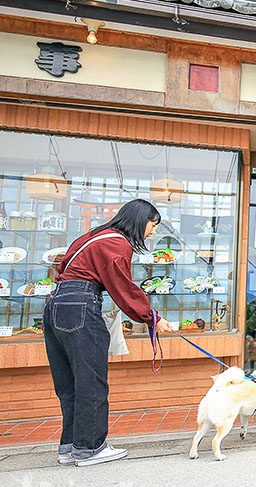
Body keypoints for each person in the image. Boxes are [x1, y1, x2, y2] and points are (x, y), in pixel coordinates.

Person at [44, 199, 175, 467]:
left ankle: (70, 447)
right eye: (153, 225)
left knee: (69, 383)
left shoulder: (95, 235)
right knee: (91, 380)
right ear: (140, 221)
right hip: (80, 305)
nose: (151, 233)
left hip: (55, 305)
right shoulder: (117, 243)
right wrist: (152, 318)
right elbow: (123, 288)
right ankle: (91, 448)